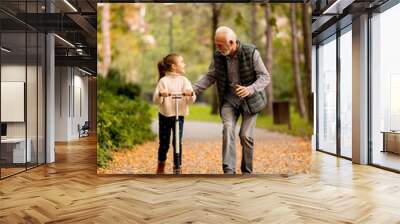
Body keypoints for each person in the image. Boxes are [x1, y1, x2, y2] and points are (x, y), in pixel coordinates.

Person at [193, 26, 271, 174]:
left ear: (231, 42)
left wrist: (250, 89)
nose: (217, 48)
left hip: (251, 101)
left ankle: (247, 172)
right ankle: (228, 171)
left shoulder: (251, 52)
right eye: (216, 44)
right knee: (228, 128)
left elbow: (265, 77)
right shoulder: (218, 56)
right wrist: (192, 89)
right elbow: (210, 76)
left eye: (220, 45)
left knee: (245, 136)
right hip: (229, 100)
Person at [153, 53, 196, 174]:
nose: (184, 64)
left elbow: (192, 99)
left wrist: (190, 93)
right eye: (182, 62)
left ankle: (178, 166)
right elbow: (155, 100)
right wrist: (161, 94)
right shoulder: (163, 81)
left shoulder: (184, 80)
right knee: (164, 142)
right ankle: (161, 163)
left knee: (177, 141)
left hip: (179, 115)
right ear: (173, 66)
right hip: (165, 115)